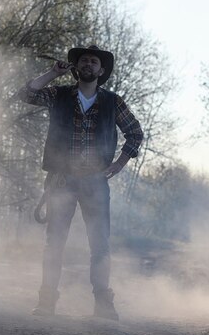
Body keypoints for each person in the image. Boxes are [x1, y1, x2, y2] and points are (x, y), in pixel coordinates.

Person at [17, 45, 143, 320]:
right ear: (76, 67)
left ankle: (103, 304)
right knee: (55, 243)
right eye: (83, 60)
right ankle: (46, 302)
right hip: (61, 179)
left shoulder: (113, 102)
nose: (87, 64)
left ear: (101, 70)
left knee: (100, 244)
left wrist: (120, 163)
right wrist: (52, 73)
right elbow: (26, 93)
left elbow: (134, 133)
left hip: (96, 182)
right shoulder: (59, 94)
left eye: (93, 61)